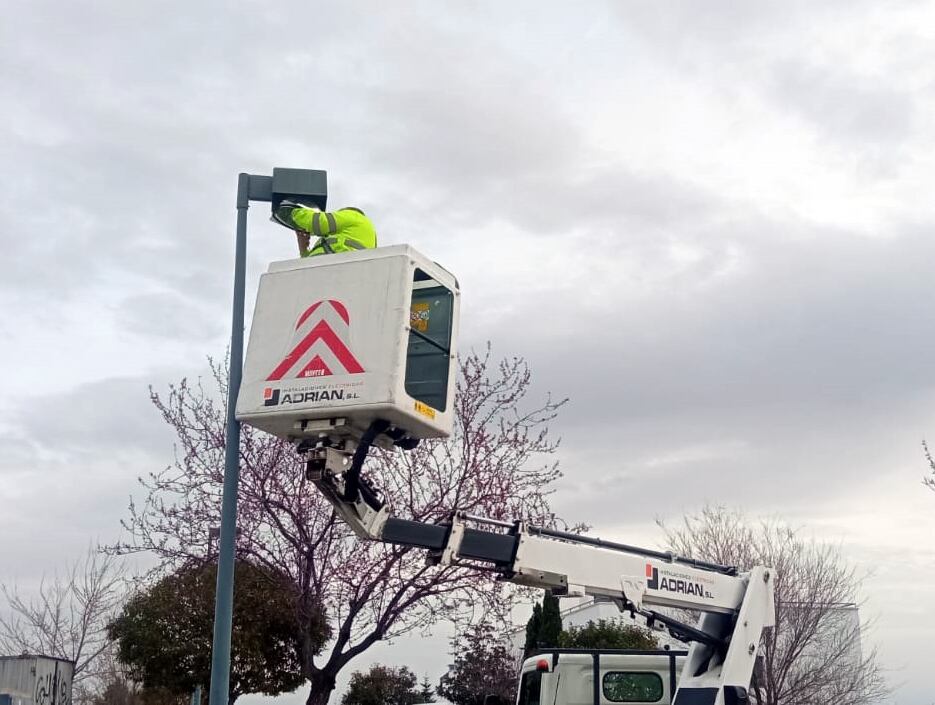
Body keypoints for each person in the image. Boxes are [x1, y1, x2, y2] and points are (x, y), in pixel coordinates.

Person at [272, 201, 378, 257]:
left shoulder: (354, 215)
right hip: (333, 271)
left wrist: (291, 212)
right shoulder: (366, 235)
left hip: (332, 267)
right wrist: (304, 251)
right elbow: (310, 266)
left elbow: (319, 222)